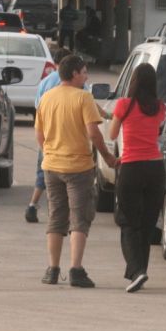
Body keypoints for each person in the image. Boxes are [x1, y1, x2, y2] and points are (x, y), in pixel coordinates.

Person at [34, 54, 117, 288]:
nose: (86, 77)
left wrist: (49, 152)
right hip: (79, 168)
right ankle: (76, 270)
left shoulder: (47, 98)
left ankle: (52, 269)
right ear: (74, 74)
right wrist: (107, 156)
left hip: (51, 167)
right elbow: (93, 133)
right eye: (84, 72)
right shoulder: (83, 98)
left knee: (56, 217)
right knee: (80, 219)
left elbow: (39, 133)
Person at [108, 63, 166, 293]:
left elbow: (112, 133)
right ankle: (141, 270)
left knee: (128, 221)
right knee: (147, 223)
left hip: (131, 167)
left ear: (133, 81)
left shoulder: (124, 105)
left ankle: (136, 271)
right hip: (155, 168)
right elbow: (158, 132)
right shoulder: (160, 107)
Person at [26, 48, 73, 224]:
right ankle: (67, 213)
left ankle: (32, 205)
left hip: (46, 134)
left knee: (44, 172)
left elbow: (38, 108)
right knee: (71, 175)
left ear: (55, 63)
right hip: (68, 135)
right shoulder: (74, 81)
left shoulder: (45, 82)